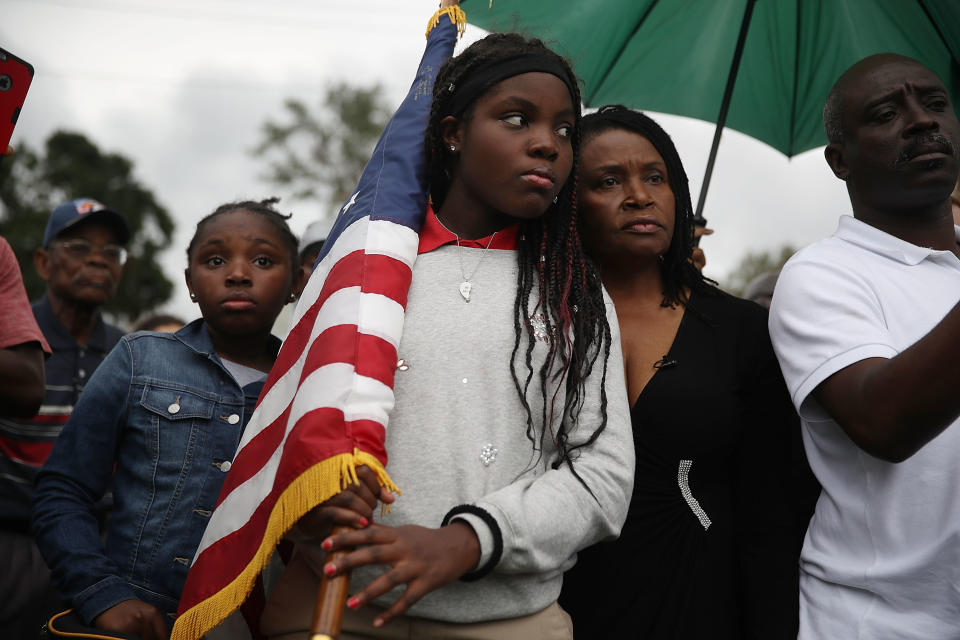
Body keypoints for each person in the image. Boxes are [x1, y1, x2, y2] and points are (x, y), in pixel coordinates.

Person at [260, 30, 634, 640]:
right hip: (332, 605)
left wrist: (467, 541)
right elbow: (275, 421)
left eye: (565, 130)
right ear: (453, 132)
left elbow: (603, 475)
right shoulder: (366, 269)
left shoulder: (576, 293)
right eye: (516, 119)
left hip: (506, 620)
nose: (546, 143)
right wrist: (309, 491)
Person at [559, 106, 801, 639]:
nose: (639, 196)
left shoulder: (741, 330)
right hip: (555, 602)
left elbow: (773, 515)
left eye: (654, 177)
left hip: (702, 599)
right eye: (607, 181)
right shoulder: (535, 324)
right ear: (569, 204)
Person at [32, 198, 305, 640]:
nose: (237, 274)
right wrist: (102, 595)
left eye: (262, 260)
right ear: (190, 282)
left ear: (297, 282)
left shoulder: (305, 387)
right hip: (132, 622)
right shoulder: (139, 359)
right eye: (215, 260)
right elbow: (62, 491)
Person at [768, 54, 960, 639]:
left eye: (935, 104)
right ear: (840, 160)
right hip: (881, 621)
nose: (922, 121)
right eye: (886, 113)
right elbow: (884, 423)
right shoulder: (821, 275)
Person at [0, 198, 129, 640]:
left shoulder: (131, 353)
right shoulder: (13, 344)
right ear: (42, 262)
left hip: (97, 556)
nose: (97, 259)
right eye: (79, 247)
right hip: (10, 541)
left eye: (111, 253)